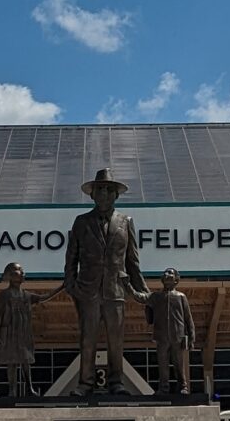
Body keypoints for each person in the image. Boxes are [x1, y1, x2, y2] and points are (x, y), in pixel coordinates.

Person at [63, 167, 146, 393]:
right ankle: (85, 383)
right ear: (92, 195)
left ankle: (116, 382)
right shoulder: (81, 222)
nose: (104, 195)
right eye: (100, 190)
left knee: (115, 341)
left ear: (116, 195)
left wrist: (143, 292)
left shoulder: (126, 222)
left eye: (109, 191)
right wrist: (71, 285)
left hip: (116, 290)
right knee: (87, 340)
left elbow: (133, 261)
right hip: (88, 290)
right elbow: (71, 257)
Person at [0, 261, 56, 400]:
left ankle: (30, 388)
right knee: (12, 362)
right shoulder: (5, 294)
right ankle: (12, 390)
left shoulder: (26, 295)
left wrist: (62, 287)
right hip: (9, 332)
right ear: (11, 275)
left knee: (25, 361)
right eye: (18, 271)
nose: (22, 273)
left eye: (22, 271)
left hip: (23, 332)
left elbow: (44, 297)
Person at [145, 268, 194, 399]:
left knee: (178, 362)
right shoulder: (156, 297)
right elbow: (141, 298)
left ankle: (183, 386)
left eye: (170, 273)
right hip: (161, 337)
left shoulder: (181, 297)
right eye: (165, 273)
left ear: (176, 280)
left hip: (177, 336)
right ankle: (163, 388)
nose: (167, 275)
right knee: (163, 363)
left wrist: (191, 338)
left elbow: (188, 319)